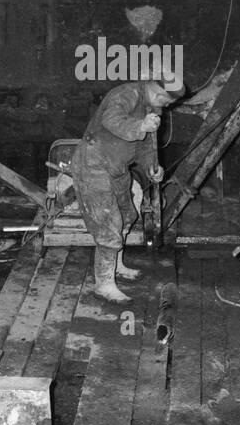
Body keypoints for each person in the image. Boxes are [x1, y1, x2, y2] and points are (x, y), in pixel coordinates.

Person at [72, 78, 176, 303]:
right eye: (159, 95)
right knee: (109, 223)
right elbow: (112, 119)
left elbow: (146, 148)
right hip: (93, 164)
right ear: (149, 82)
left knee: (128, 215)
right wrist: (140, 126)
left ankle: (116, 267)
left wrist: (153, 169)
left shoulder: (152, 109)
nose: (162, 102)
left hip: (117, 168)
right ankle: (104, 284)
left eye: (166, 102)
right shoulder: (127, 93)